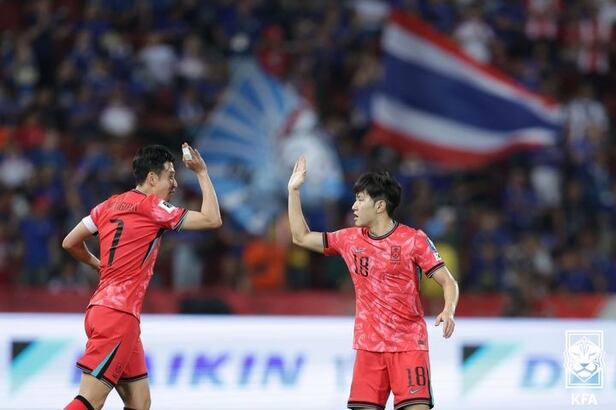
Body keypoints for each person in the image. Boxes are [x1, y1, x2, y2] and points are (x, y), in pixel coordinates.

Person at [287, 156, 458, 410]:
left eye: (360, 199)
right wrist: (293, 191)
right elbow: (300, 237)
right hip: (369, 348)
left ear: (379, 206)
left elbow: (449, 282)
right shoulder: (349, 239)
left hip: (408, 346)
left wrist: (448, 310)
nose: (354, 206)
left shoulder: (413, 240)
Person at [62, 143, 222, 410]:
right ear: (152, 178)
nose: (174, 184)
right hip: (118, 316)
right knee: (91, 399)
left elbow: (70, 242)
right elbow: (212, 219)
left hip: (104, 311)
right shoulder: (153, 207)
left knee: (140, 402)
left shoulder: (108, 205)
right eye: (170, 176)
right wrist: (202, 173)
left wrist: (98, 265)